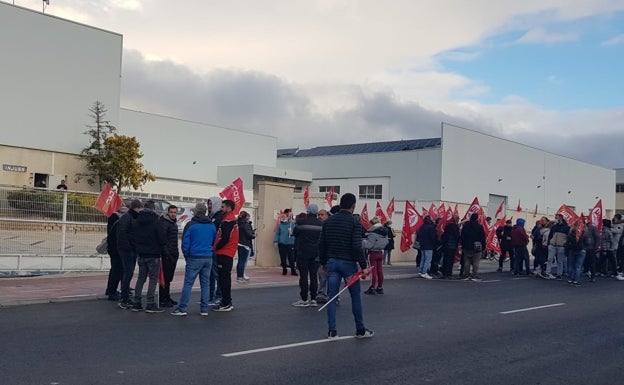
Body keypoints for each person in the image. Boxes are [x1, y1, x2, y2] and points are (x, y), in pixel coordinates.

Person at [319, 193, 373, 339]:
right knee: (355, 296)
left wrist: (324, 263)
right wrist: (364, 266)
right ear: (353, 205)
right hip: (349, 263)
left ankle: (332, 331)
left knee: (332, 297)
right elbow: (357, 246)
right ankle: (360, 329)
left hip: (332, 262)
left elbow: (322, 244)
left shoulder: (328, 222)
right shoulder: (355, 223)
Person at [171, 203, 217, 316]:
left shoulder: (191, 225)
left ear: (195, 211)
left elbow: (185, 242)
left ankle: (182, 308)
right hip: (207, 257)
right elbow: (214, 241)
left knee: (188, 283)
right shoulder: (212, 225)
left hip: (194, 257)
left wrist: (187, 256)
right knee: (205, 284)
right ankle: (204, 309)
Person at [132, 200, 168, 313]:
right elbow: (162, 239)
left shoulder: (137, 220)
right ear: (153, 209)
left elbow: (134, 236)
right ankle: (150, 303)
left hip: (141, 254)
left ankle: (136, 302)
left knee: (141, 278)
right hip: (153, 254)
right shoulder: (156, 222)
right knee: (153, 279)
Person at [291, 203, 323, 307]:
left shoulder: (301, 222)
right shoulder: (321, 224)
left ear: (307, 211)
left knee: (303, 276)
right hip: (316, 253)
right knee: (314, 276)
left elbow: (294, 233)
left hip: (303, 252)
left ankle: (304, 299)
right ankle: (313, 298)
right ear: (317, 212)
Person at [212, 199, 239, 312]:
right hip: (226, 252)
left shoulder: (228, 220)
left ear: (228, 208)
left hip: (225, 252)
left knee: (224, 279)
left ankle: (226, 302)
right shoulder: (229, 219)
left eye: (222, 207)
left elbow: (225, 238)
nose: (220, 209)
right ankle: (226, 301)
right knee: (224, 278)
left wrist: (216, 247)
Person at [117, 199, 142, 309]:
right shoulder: (128, 217)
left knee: (129, 273)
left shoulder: (130, 217)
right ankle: (124, 298)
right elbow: (122, 234)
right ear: (137, 207)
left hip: (130, 249)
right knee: (128, 273)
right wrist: (129, 247)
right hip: (127, 250)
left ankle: (125, 296)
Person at [159, 205, 180, 308]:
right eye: (171, 212)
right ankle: (163, 299)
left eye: (175, 212)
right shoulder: (165, 223)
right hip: (167, 256)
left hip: (173, 254)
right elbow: (163, 241)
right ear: (168, 212)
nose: (173, 214)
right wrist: (167, 254)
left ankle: (167, 297)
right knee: (165, 278)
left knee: (169, 278)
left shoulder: (173, 223)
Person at [104, 207, 125, 300]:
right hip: (116, 249)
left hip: (113, 248)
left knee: (114, 270)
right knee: (117, 270)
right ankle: (112, 292)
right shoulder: (116, 219)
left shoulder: (112, 217)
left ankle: (110, 289)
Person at [363, 217, 388, 294]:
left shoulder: (372, 233)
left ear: (372, 224)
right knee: (380, 271)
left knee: (373, 271)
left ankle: (372, 287)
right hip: (380, 252)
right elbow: (387, 242)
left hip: (373, 253)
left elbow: (369, 245)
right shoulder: (384, 232)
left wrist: (363, 242)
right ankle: (380, 287)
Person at [460, 213, 486, 281]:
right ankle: (474, 274)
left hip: (467, 246)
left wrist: (462, 245)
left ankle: (466, 274)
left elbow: (462, 236)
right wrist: (483, 247)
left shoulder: (465, 226)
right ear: (477, 218)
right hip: (477, 246)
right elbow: (483, 237)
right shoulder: (479, 226)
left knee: (466, 261)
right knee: (476, 262)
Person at [207, 196, 223, 305]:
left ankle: (219, 296)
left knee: (217, 274)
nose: (209, 206)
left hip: (217, 249)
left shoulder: (219, 217)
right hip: (210, 248)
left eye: (211, 204)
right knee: (210, 274)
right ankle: (210, 296)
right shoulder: (210, 216)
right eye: (208, 204)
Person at [546, 214, 570, 280]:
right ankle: (548, 273)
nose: (555, 219)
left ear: (561, 218)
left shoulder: (566, 227)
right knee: (549, 259)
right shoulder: (554, 227)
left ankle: (559, 274)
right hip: (552, 245)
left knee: (560, 261)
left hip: (561, 246)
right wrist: (549, 243)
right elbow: (550, 235)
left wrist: (565, 245)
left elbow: (568, 237)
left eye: (557, 218)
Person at [274, 209, 297, 276]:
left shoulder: (292, 224)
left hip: (290, 243)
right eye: (282, 217)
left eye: (284, 217)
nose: (283, 218)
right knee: (283, 257)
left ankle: (293, 270)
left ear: (288, 217)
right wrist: (276, 241)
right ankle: (284, 269)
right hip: (282, 243)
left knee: (291, 257)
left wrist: (292, 233)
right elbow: (277, 234)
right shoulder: (280, 225)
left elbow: (296, 233)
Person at [565, 220, 587, 286]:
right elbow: (588, 242)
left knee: (571, 265)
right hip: (581, 250)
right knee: (578, 266)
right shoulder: (584, 233)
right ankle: (576, 280)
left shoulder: (571, 232)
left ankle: (570, 279)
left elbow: (567, 242)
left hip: (572, 250)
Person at [236, 210, 255, 283]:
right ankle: (240, 276)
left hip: (239, 243)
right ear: (246, 217)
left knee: (240, 261)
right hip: (245, 244)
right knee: (243, 262)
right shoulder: (245, 224)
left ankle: (239, 275)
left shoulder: (238, 223)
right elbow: (249, 234)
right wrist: (253, 235)